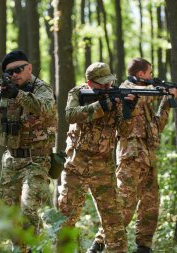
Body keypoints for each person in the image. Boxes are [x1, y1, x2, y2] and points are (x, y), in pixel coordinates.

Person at [91, 58, 177, 253]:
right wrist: (160, 90)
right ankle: (99, 243)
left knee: (150, 206)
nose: (151, 76)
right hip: (130, 157)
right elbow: (140, 100)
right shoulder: (127, 90)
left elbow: (157, 126)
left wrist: (166, 100)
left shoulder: (146, 95)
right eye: (149, 73)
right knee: (124, 204)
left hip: (149, 158)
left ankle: (144, 246)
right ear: (140, 74)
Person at [0, 50, 57, 252]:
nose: (15, 75)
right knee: (8, 212)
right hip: (12, 160)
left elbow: (46, 108)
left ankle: (30, 248)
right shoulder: (6, 90)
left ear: (29, 68)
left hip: (36, 159)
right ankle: (18, 248)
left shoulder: (41, 88)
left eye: (19, 69)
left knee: (28, 208)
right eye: (10, 72)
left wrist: (18, 94)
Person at [58, 62, 137, 253]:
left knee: (114, 223)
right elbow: (70, 115)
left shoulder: (115, 96)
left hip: (103, 166)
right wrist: (101, 105)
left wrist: (129, 110)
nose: (107, 87)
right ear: (89, 83)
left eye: (108, 83)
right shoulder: (77, 93)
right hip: (76, 164)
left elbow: (125, 132)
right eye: (102, 84)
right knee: (66, 218)